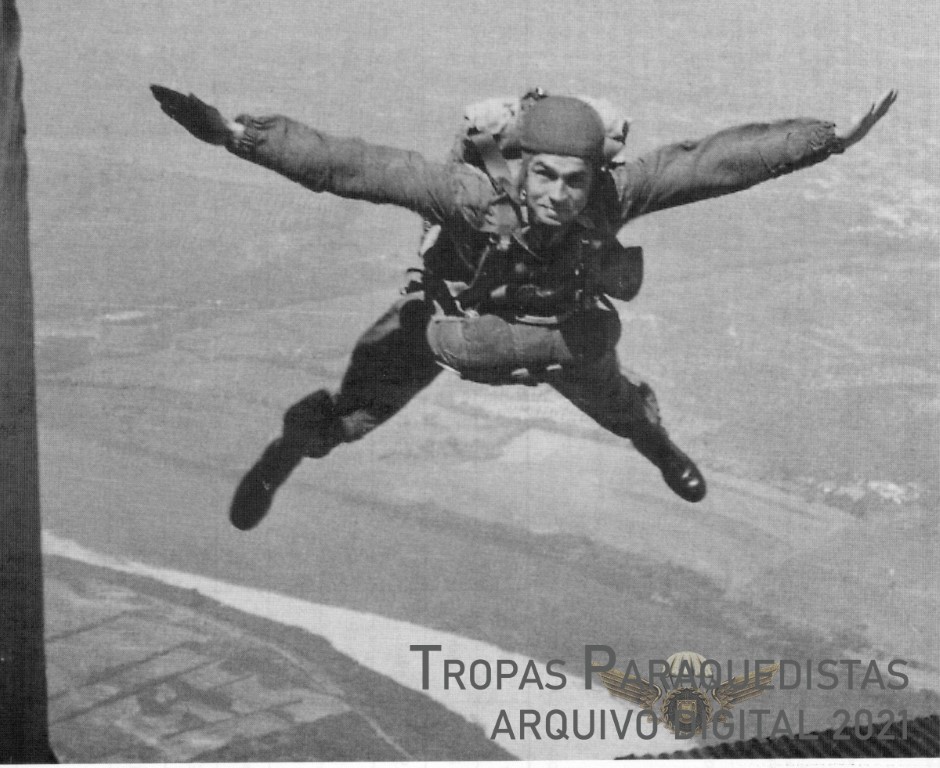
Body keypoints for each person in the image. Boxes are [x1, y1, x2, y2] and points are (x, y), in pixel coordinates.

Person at [151, 85, 896, 530]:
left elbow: (711, 164)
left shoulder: (613, 196)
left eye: (575, 181)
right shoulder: (471, 197)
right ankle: (290, 451)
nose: (559, 197)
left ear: (594, 177)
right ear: (522, 169)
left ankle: (661, 449)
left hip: (558, 323)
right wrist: (240, 137)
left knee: (620, 404)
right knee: (358, 414)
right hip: (457, 310)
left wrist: (825, 140)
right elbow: (358, 168)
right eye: (545, 177)